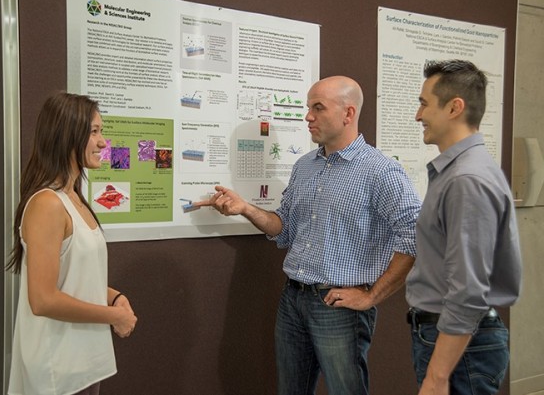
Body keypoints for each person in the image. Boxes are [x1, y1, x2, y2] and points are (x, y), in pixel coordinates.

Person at [195, 76, 422, 395]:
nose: (308, 116)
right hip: (293, 299)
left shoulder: (380, 171)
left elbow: (414, 234)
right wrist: (245, 208)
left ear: (348, 113)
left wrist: (372, 296)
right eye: (308, 107)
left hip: (339, 307)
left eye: (318, 107)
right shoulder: (305, 166)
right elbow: (284, 228)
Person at [6, 92, 138, 395]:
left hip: (83, 362)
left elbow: (74, 277)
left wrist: (114, 297)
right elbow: (43, 299)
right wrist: (114, 316)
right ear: (66, 135)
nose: (103, 142)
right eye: (94, 132)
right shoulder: (47, 204)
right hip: (58, 369)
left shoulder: (73, 198)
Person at [406, 59, 522, 395]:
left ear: (454, 108)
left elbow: (468, 290)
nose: (418, 115)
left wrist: (437, 377)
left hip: (461, 349)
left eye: (424, 104)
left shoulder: (466, 180)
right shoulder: (459, 173)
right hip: (451, 338)